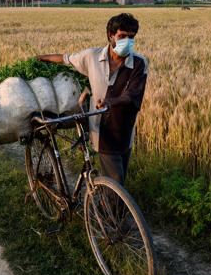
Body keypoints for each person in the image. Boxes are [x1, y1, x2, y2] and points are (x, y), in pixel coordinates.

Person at [37, 13, 148, 185]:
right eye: (122, 36)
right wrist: (42, 58)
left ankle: (107, 209)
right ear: (110, 35)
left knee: (118, 182)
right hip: (102, 130)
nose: (127, 41)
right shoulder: (92, 57)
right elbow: (66, 59)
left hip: (125, 129)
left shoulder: (139, 63)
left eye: (131, 37)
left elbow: (132, 94)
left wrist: (110, 102)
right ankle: (107, 210)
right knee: (115, 183)